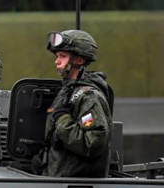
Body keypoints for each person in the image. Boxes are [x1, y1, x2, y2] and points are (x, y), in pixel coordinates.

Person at [40, 30, 112, 178]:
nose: (57, 61)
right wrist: (44, 161)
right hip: (57, 183)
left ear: (78, 60)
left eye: (63, 56)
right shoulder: (67, 91)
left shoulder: (89, 97)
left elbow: (92, 143)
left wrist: (63, 122)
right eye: (57, 56)